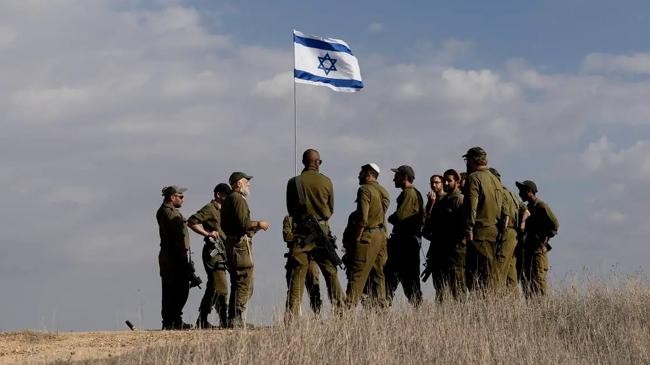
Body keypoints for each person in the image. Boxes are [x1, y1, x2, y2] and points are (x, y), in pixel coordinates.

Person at [284, 149, 344, 320]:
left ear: (304, 162)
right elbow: (330, 210)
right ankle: (341, 313)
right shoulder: (326, 181)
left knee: (297, 274)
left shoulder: (293, 182)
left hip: (301, 234)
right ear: (317, 162)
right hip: (322, 234)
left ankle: (292, 317)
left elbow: (290, 210)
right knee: (330, 272)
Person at [221, 172, 270, 328]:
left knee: (237, 281)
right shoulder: (237, 199)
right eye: (246, 181)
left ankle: (234, 318)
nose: (248, 184)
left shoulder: (230, 199)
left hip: (233, 244)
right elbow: (243, 223)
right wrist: (259, 224)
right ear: (238, 184)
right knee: (244, 281)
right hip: (240, 246)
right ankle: (236, 318)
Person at [345, 163, 390, 308]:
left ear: (369, 175)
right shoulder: (383, 191)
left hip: (368, 236)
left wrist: (357, 237)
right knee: (378, 275)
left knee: (357, 275)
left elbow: (363, 219)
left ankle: (346, 312)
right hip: (381, 236)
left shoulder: (364, 190)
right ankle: (381, 309)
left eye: (361, 173)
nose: (359, 175)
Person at [188, 183, 232, 329]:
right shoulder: (210, 209)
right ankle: (223, 320)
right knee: (222, 288)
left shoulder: (225, 210)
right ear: (219, 195)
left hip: (223, 252)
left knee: (213, 287)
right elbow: (192, 221)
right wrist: (207, 233)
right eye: (226, 195)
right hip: (213, 253)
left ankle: (202, 319)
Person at [463, 147, 504, 291]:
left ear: (472, 160)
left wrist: (468, 229)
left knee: (478, 278)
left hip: (479, 233)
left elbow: (471, 207)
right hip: (495, 232)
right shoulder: (495, 180)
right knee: (491, 273)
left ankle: (484, 309)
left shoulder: (473, 178)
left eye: (467, 160)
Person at [424, 169, 466, 301]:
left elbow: (465, 226)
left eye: (449, 181)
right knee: (441, 289)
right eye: (445, 180)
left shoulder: (459, 199)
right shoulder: (442, 201)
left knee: (458, 288)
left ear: (457, 182)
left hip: (455, 251)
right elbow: (429, 227)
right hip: (441, 250)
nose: (446, 183)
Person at [385, 165, 424, 306]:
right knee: (401, 279)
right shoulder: (412, 193)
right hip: (406, 242)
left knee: (406, 280)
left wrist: (390, 218)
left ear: (405, 177)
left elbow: (400, 216)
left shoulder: (409, 193)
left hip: (405, 243)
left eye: (397, 176)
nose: (394, 179)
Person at [156, 185, 193, 330]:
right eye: (181, 196)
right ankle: (172, 320)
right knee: (178, 289)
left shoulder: (166, 211)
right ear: (172, 198)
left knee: (173, 288)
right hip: (174, 257)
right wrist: (183, 258)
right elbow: (178, 237)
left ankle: (172, 320)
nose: (183, 200)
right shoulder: (170, 214)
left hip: (171, 256)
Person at [516, 180, 559, 297]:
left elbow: (555, 225)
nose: (520, 194)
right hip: (529, 252)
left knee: (539, 286)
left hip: (538, 253)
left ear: (530, 192)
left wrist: (544, 237)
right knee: (529, 288)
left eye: (522, 191)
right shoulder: (528, 208)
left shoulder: (541, 206)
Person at [488, 168, 522, 291]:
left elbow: (505, 215)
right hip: (514, 234)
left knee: (498, 270)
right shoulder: (511, 192)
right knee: (510, 271)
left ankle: (497, 300)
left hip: (506, 232)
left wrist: (501, 234)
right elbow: (524, 210)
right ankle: (512, 304)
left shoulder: (500, 192)